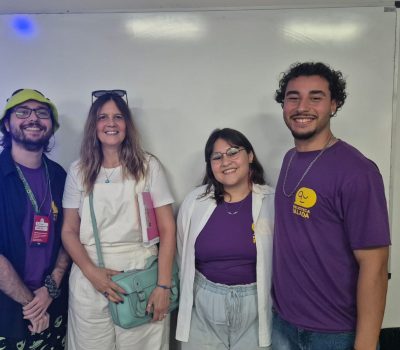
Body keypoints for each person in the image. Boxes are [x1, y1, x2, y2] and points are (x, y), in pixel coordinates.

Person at [272, 62, 391, 350]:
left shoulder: (357, 171)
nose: (302, 107)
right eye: (293, 97)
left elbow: (374, 266)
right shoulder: (289, 159)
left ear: (334, 105)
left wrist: (365, 345)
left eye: (316, 97)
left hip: (334, 334)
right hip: (282, 323)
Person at [61, 90, 176, 350]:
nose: (111, 123)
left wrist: (163, 285)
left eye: (118, 116)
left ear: (127, 124)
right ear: (94, 125)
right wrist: (92, 274)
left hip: (140, 273)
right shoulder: (78, 171)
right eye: (103, 117)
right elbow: (68, 230)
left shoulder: (148, 166)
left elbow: (168, 229)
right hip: (89, 277)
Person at [176, 128, 274, 350]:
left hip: (256, 309)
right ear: (210, 165)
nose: (225, 161)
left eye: (232, 152)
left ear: (250, 156)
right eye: (217, 157)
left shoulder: (272, 202)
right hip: (203, 308)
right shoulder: (194, 202)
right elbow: (182, 253)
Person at [0, 89, 69, 349]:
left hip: (54, 308)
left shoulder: (60, 176)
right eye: (22, 111)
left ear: (51, 125)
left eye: (42, 113)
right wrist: (32, 304)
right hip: (6, 315)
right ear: (7, 123)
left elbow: (70, 235)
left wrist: (50, 290)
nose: (33, 118)